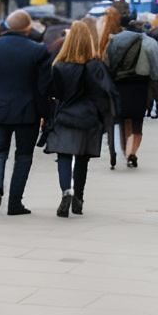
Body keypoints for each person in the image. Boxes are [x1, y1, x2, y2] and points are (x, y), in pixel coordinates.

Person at [0, 9, 52, 217]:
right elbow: (43, 87)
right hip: (27, 111)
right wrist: (45, 113)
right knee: (24, 155)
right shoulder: (39, 50)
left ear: (8, 26)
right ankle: (15, 203)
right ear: (28, 27)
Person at [46, 20, 114, 217]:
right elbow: (104, 93)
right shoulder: (95, 65)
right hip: (88, 116)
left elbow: (52, 92)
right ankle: (79, 199)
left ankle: (66, 191)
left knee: (64, 156)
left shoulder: (59, 65)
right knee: (82, 159)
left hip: (65, 115)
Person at [102, 5, 158, 169]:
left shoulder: (113, 41)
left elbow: (107, 63)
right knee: (137, 121)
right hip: (141, 85)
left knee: (122, 119)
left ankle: (124, 148)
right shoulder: (149, 42)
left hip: (120, 85)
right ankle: (131, 152)